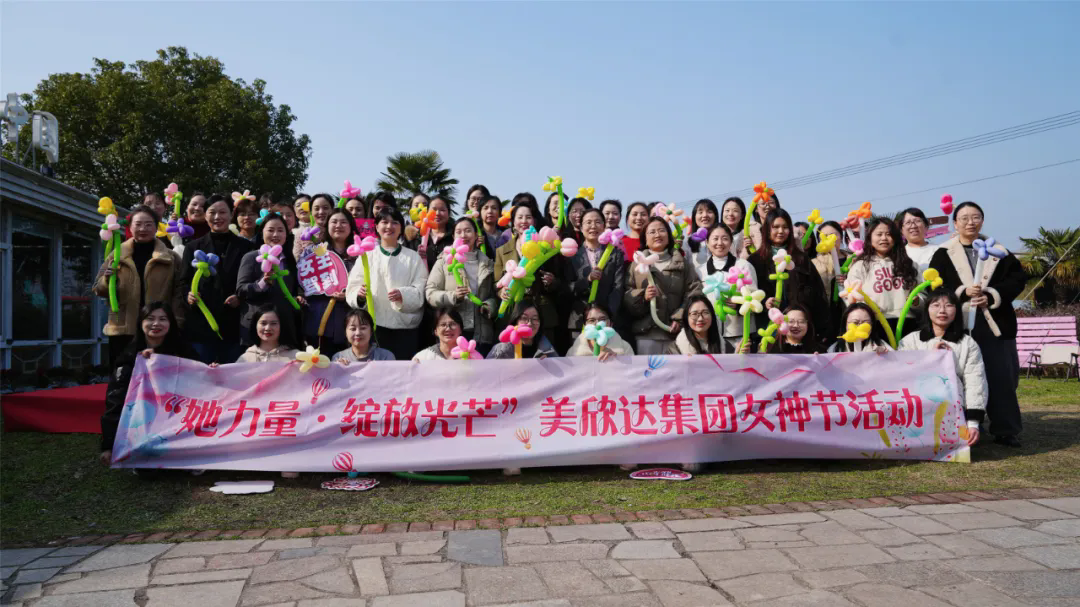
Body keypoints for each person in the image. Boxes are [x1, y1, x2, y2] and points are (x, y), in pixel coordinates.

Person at [929, 201, 1026, 447]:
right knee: (962, 377)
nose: (970, 222)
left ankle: (1006, 429)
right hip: (959, 323)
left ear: (982, 221)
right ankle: (969, 426)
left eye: (975, 217)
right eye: (964, 218)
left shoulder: (999, 251)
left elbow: (1017, 280)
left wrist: (991, 294)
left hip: (994, 322)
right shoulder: (943, 252)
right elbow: (935, 285)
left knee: (1000, 376)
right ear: (955, 223)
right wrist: (962, 292)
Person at [100, 302, 197, 466]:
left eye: (163, 319)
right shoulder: (129, 356)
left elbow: (201, 377)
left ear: (171, 324)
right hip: (144, 421)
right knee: (147, 467)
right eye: (150, 319)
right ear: (141, 323)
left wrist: (211, 370)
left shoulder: (183, 350)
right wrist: (108, 446)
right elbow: (115, 400)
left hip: (177, 416)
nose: (156, 324)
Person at [94, 205, 185, 367]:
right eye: (138, 224)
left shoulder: (171, 258)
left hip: (158, 330)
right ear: (130, 227)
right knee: (123, 375)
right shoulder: (116, 255)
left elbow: (179, 293)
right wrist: (107, 280)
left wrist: (176, 321)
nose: (143, 229)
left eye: (149, 224)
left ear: (156, 227)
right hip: (123, 329)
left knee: (157, 375)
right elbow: (97, 289)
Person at [899, 290, 985, 447]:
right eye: (936, 305)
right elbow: (902, 377)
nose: (942, 311)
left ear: (957, 310)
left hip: (953, 409)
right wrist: (931, 359)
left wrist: (973, 423)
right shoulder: (910, 341)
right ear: (927, 309)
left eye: (949, 305)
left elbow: (975, 382)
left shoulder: (968, 343)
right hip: (917, 411)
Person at [181, 194, 255, 364]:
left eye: (222, 212)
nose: (217, 217)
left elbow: (253, 281)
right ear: (205, 215)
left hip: (235, 326)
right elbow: (183, 281)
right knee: (201, 374)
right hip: (201, 324)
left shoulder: (246, 247)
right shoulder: (193, 247)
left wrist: (241, 297)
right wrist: (188, 295)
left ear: (231, 214)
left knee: (233, 375)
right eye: (212, 212)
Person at [347, 207, 428, 361]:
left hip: (405, 328)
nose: (389, 226)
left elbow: (421, 288)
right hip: (374, 327)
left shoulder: (413, 257)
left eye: (395, 222)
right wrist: (359, 295)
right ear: (376, 227)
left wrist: (403, 295)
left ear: (401, 228)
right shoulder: (367, 255)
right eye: (384, 222)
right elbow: (353, 285)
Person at [749, 209, 831, 345]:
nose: (781, 231)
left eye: (785, 227)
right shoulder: (755, 260)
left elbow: (818, 294)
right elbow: (749, 295)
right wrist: (764, 303)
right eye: (775, 227)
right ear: (767, 230)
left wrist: (822, 330)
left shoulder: (801, 259)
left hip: (798, 330)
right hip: (768, 330)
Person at [624, 216, 701, 354]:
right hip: (646, 334)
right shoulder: (636, 265)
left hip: (677, 333)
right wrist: (643, 296)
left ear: (669, 235)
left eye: (662, 230)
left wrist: (679, 318)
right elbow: (626, 294)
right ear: (645, 238)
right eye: (652, 232)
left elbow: (694, 292)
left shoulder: (682, 263)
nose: (657, 235)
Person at [494, 200, 563, 347]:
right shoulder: (501, 251)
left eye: (528, 217)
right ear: (513, 222)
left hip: (541, 311)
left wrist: (551, 281)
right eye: (519, 217)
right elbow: (496, 282)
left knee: (543, 354)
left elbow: (560, 279)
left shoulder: (546, 246)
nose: (524, 221)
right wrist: (501, 292)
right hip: (513, 311)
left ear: (534, 221)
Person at [426, 216, 497, 353]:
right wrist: (453, 296)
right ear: (453, 236)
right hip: (452, 333)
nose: (463, 235)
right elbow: (430, 293)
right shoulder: (444, 261)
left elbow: (495, 294)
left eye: (468, 231)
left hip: (481, 333)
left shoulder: (488, 263)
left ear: (476, 235)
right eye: (458, 232)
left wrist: (490, 306)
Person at [236, 212, 303, 347]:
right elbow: (241, 290)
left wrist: (299, 297)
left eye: (280, 230)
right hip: (257, 325)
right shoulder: (251, 258)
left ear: (286, 234)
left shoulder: (290, 260)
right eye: (271, 230)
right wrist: (262, 283)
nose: (276, 235)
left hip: (284, 325)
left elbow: (293, 290)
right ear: (262, 233)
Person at [845, 217, 919, 337]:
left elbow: (922, 292)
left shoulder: (909, 264)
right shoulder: (860, 266)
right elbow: (851, 296)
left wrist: (917, 301)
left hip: (907, 320)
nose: (884, 238)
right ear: (870, 238)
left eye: (888, 234)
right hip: (874, 322)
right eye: (879, 234)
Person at [301, 208, 357, 353]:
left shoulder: (359, 254)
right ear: (327, 226)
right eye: (334, 222)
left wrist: (349, 295)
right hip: (319, 320)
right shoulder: (313, 252)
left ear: (351, 226)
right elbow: (302, 281)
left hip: (351, 323)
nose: (338, 225)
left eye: (343, 222)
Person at [565, 208, 626, 335]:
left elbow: (618, 288)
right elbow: (568, 288)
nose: (593, 226)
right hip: (579, 321)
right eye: (588, 222)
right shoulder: (572, 255)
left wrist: (607, 315)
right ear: (581, 227)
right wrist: (587, 280)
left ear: (604, 227)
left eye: (598, 222)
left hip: (607, 322)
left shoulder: (615, 254)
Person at [698, 224, 757, 352]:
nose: (720, 243)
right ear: (707, 242)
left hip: (740, 336)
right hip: (710, 335)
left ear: (731, 242)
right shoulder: (700, 271)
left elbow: (755, 299)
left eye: (725, 238)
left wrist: (739, 305)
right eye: (715, 239)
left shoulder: (744, 266)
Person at [487, 301, 559, 359]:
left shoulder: (547, 349)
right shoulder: (501, 350)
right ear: (516, 321)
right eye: (524, 318)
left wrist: (549, 365)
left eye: (535, 319)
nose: (529, 323)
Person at [566, 303, 634, 360]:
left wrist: (616, 359)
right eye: (591, 320)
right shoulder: (573, 352)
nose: (598, 324)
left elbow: (631, 370)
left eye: (602, 319)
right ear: (585, 325)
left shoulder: (625, 347)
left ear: (611, 324)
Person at [236, 305, 301, 362]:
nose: (268, 328)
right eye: (263, 323)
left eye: (273, 323)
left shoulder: (296, 358)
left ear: (282, 326)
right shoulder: (245, 359)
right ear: (255, 325)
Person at [827, 303, 893, 353]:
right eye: (855, 322)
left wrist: (885, 355)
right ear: (845, 324)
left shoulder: (880, 344)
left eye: (866, 323)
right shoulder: (835, 349)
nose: (860, 326)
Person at [412, 194, 455, 270]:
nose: (437, 213)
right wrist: (416, 256)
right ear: (427, 212)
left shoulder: (455, 236)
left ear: (448, 214)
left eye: (442, 210)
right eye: (434, 209)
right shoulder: (417, 237)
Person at [293, 193, 335, 259]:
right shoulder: (302, 234)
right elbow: (298, 259)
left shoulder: (337, 231)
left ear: (332, 210)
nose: (321, 212)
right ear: (311, 212)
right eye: (316, 209)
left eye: (325, 208)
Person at [899, 207, 940, 273]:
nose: (913, 226)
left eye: (917, 221)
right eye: (908, 222)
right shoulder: (899, 255)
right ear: (901, 230)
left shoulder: (938, 251)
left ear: (926, 226)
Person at [687, 198, 719, 265]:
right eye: (700, 212)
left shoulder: (723, 239)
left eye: (709, 212)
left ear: (715, 216)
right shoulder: (687, 243)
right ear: (694, 217)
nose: (704, 215)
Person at [479, 195, 509, 260]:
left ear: (500, 213)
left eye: (494, 208)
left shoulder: (507, 235)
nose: (490, 211)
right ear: (480, 212)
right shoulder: (476, 235)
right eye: (486, 208)